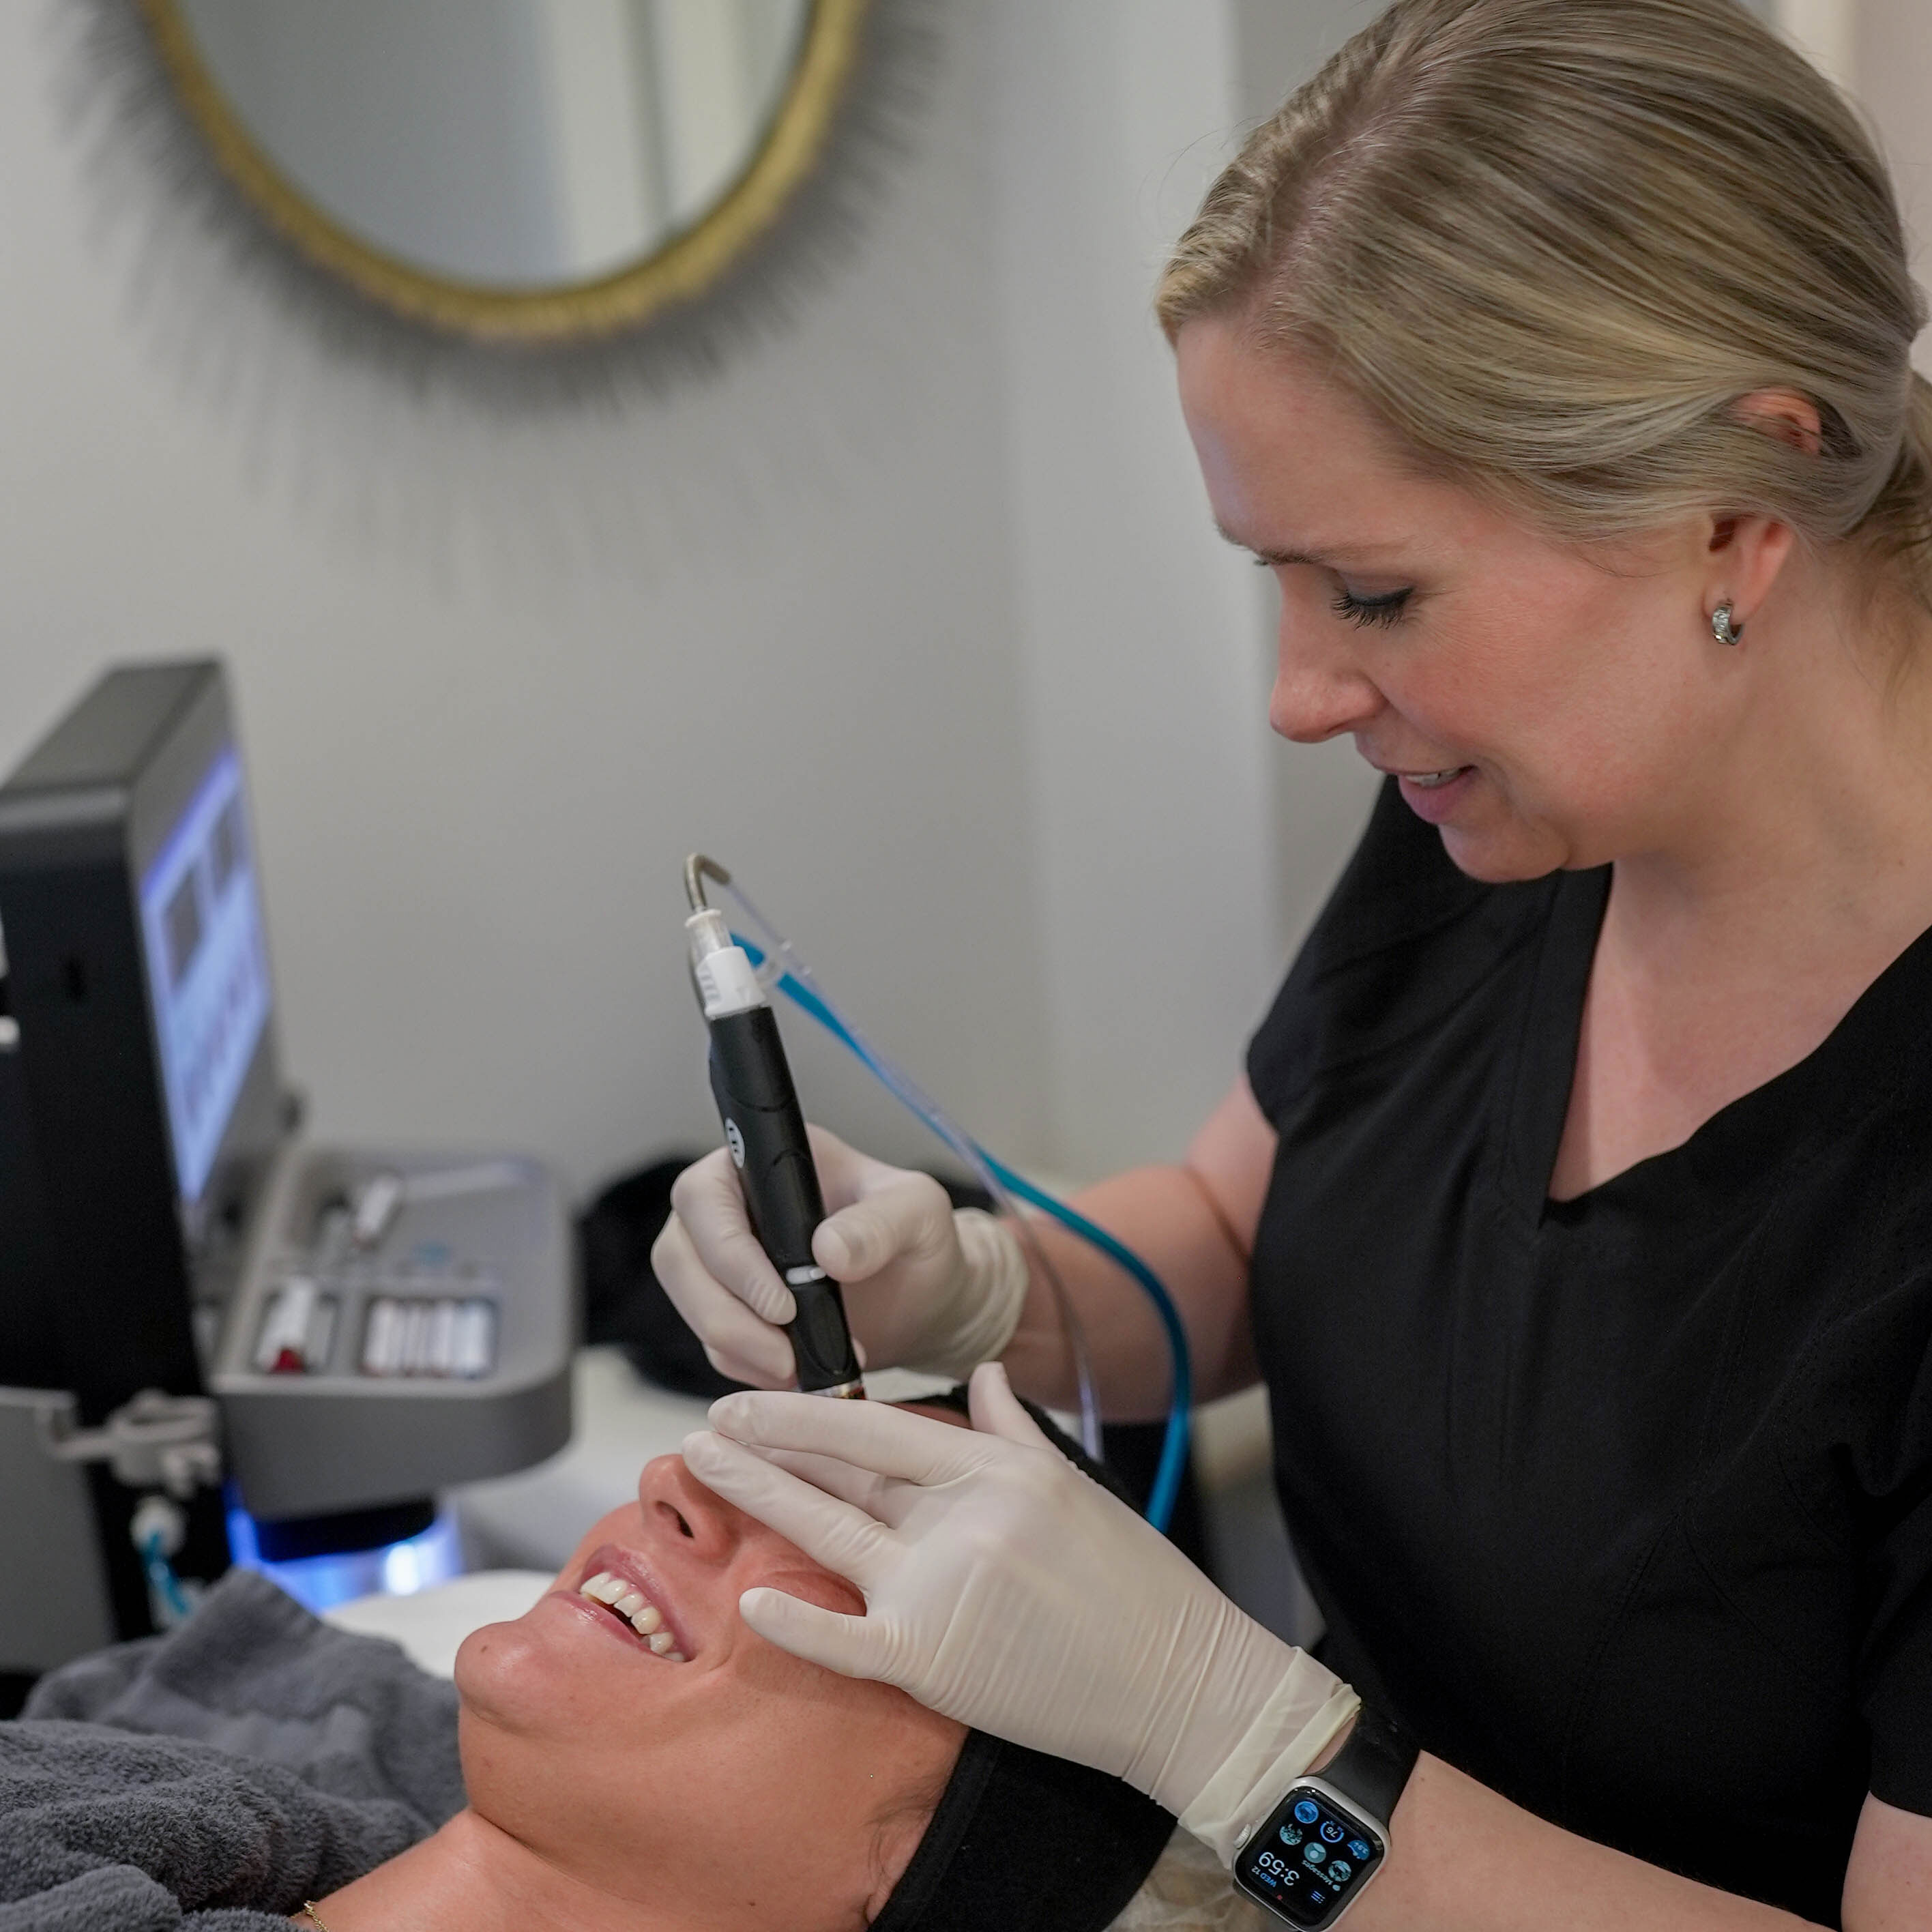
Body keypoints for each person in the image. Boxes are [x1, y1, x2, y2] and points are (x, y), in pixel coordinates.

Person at [652, 1, 1932, 1925]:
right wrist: (976, 1280)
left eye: (1377, 593)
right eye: (1281, 584)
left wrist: (1244, 1742)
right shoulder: (1506, 820)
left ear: (1740, 510)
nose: (1301, 697)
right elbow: (1249, 1246)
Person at [1, 1409, 1173, 1932]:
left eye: (842, 1537)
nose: (678, 1479)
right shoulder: (233, 1782)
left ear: (929, 1867)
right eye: (762, 1459)